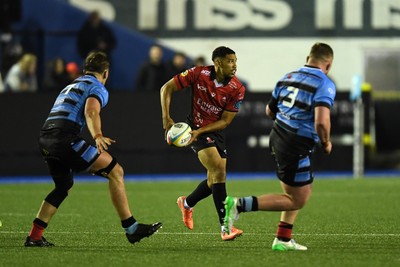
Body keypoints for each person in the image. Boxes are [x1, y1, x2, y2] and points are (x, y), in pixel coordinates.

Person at [24, 51, 161, 247]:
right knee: (116, 171)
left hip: (45, 138)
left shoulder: (70, 85)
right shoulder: (96, 86)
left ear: (84, 70)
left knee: (63, 187)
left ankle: (34, 237)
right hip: (64, 138)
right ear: (106, 73)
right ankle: (132, 228)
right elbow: (91, 110)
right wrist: (97, 135)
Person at [224, 42, 336, 251]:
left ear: (307, 58)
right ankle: (238, 205)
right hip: (295, 143)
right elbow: (322, 121)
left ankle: (283, 239)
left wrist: (288, 120)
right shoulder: (324, 84)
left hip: (279, 136)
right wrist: (326, 142)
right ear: (328, 64)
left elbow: (269, 111)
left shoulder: (288, 77)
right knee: (297, 199)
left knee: (302, 189)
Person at [160, 46, 246, 241]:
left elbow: (225, 121)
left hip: (214, 130)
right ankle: (226, 227)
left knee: (212, 180)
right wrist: (166, 117)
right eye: (230, 61)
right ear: (218, 63)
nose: (234, 65)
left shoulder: (237, 88)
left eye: (235, 61)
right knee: (219, 172)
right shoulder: (199, 73)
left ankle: (187, 203)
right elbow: (166, 88)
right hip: (194, 128)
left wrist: (201, 131)